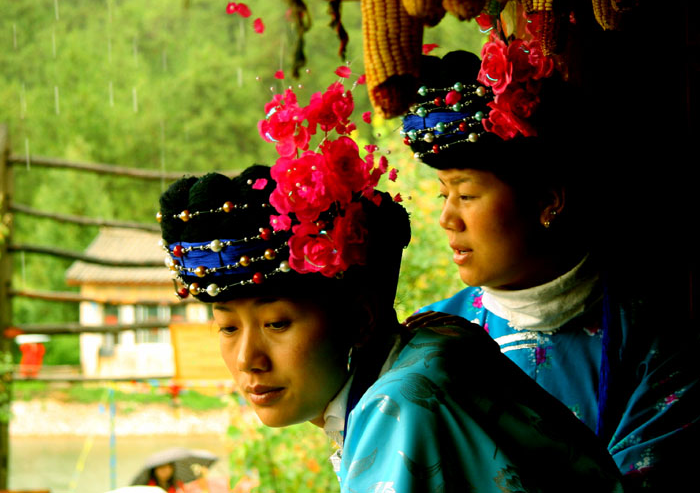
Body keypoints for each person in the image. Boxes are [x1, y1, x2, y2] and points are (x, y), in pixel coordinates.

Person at [157, 80, 623, 492]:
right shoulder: (433, 337)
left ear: (361, 317)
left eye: (276, 323)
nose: (247, 360)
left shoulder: (397, 405)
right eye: (227, 328)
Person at [401, 45, 700, 491]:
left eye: (466, 195)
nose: (447, 218)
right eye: (443, 194)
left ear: (548, 200)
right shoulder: (430, 342)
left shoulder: (649, 341)